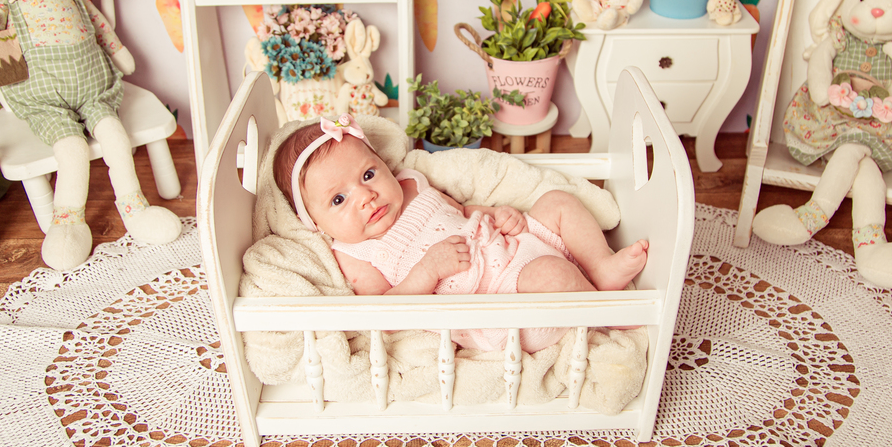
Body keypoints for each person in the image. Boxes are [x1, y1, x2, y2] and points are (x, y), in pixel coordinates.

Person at [274, 116, 649, 314]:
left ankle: (599, 267)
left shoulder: (412, 184)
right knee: (553, 275)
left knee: (557, 201)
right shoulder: (353, 254)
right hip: (495, 290)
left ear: (383, 165)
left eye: (368, 175)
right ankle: (604, 314)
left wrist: (501, 214)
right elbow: (384, 311)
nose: (366, 197)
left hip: (511, 242)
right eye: (338, 200)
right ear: (315, 223)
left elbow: (463, 211)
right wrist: (427, 271)